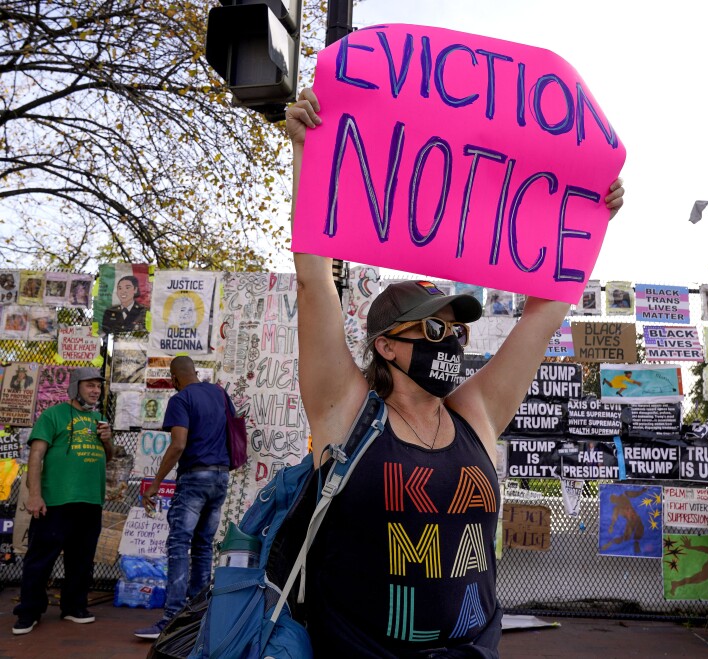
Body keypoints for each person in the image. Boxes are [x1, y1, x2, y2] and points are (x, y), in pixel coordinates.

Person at [286, 87, 624, 656]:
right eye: (434, 330)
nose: (451, 343)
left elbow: (546, 313)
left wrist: (587, 214)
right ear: (388, 347)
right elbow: (313, 280)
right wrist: (306, 153)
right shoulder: (345, 410)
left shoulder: (477, 413)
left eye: (457, 332)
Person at [134, 356, 232, 640]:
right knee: (202, 545)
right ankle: (198, 614)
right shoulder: (219, 394)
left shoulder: (181, 399)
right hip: (220, 476)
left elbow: (178, 445)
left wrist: (154, 484)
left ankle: (172, 618)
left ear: (174, 378)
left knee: (179, 544)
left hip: (195, 477)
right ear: (195, 372)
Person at [12, 367, 114, 635]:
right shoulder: (53, 415)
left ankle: (74, 607)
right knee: (40, 558)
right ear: (75, 387)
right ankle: (29, 611)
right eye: (90, 385)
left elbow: (110, 457)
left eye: (98, 387)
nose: (95, 391)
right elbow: (36, 455)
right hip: (56, 500)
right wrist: (35, 495)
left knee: (82, 558)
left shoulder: (100, 419)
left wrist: (108, 441)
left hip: (90, 499)